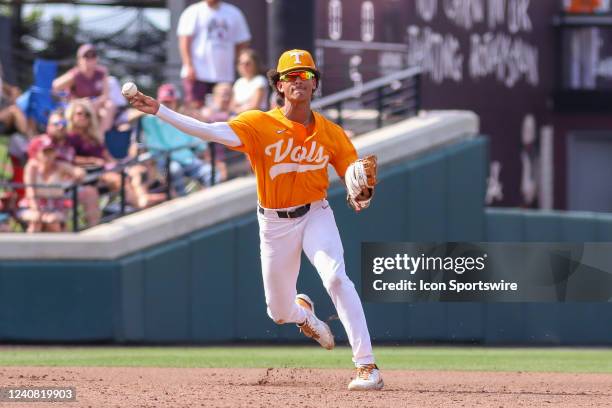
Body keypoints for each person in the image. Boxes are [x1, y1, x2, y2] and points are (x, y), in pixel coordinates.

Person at [127, 49, 383, 390]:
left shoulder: (332, 133)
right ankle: (303, 314)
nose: (299, 82)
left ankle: (367, 366)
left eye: (306, 76)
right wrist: (159, 110)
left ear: (315, 83)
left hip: (315, 213)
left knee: (336, 278)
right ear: (278, 84)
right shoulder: (259, 124)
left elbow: (355, 187)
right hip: (275, 223)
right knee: (278, 311)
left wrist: (361, 195)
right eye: (291, 77)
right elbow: (209, 130)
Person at [140, 83, 226, 196]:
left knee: (212, 173)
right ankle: (182, 199)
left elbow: (200, 146)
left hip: (188, 160)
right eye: (164, 101)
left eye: (170, 101)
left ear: (176, 102)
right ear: (159, 102)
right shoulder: (150, 121)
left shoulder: (183, 118)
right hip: (166, 164)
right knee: (175, 169)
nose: (167, 104)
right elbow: (154, 149)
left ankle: (211, 200)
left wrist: (211, 159)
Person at [28, 109, 101, 227]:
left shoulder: (69, 143)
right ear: (48, 126)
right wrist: (63, 167)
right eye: (56, 124)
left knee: (90, 192)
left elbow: (75, 165)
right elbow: (35, 166)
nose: (60, 127)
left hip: (67, 186)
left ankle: (93, 231)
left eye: (63, 124)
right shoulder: (41, 142)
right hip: (47, 189)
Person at [177, 0, 251, 108]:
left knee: (222, 113)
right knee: (195, 111)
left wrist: (236, 63)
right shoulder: (192, 11)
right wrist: (188, 65)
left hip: (224, 76)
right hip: (197, 74)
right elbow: (184, 41)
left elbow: (242, 41)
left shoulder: (234, 13)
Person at [21, 135, 86, 233]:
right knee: (35, 221)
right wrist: (38, 211)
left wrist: (76, 176)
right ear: (37, 153)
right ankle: (29, 248)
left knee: (53, 222)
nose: (49, 155)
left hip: (56, 207)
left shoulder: (60, 166)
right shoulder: (32, 167)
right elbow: (30, 192)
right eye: (45, 152)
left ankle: (61, 247)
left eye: (51, 152)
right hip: (34, 206)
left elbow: (79, 173)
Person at [52, 44, 116, 133]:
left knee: (110, 106)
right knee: (85, 111)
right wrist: (77, 101)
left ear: (96, 59)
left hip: (96, 105)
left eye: (93, 56)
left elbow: (106, 95)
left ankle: (101, 137)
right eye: (86, 56)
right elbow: (55, 85)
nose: (89, 59)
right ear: (79, 60)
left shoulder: (101, 73)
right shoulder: (75, 74)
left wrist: (97, 102)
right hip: (79, 106)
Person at [231, 48, 268, 113]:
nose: (244, 66)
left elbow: (254, 106)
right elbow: (232, 106)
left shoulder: (260, 80)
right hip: (239, 117)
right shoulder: (238, 82)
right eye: (241, 63)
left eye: (247, 63)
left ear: (255, 64)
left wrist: (238, 109)